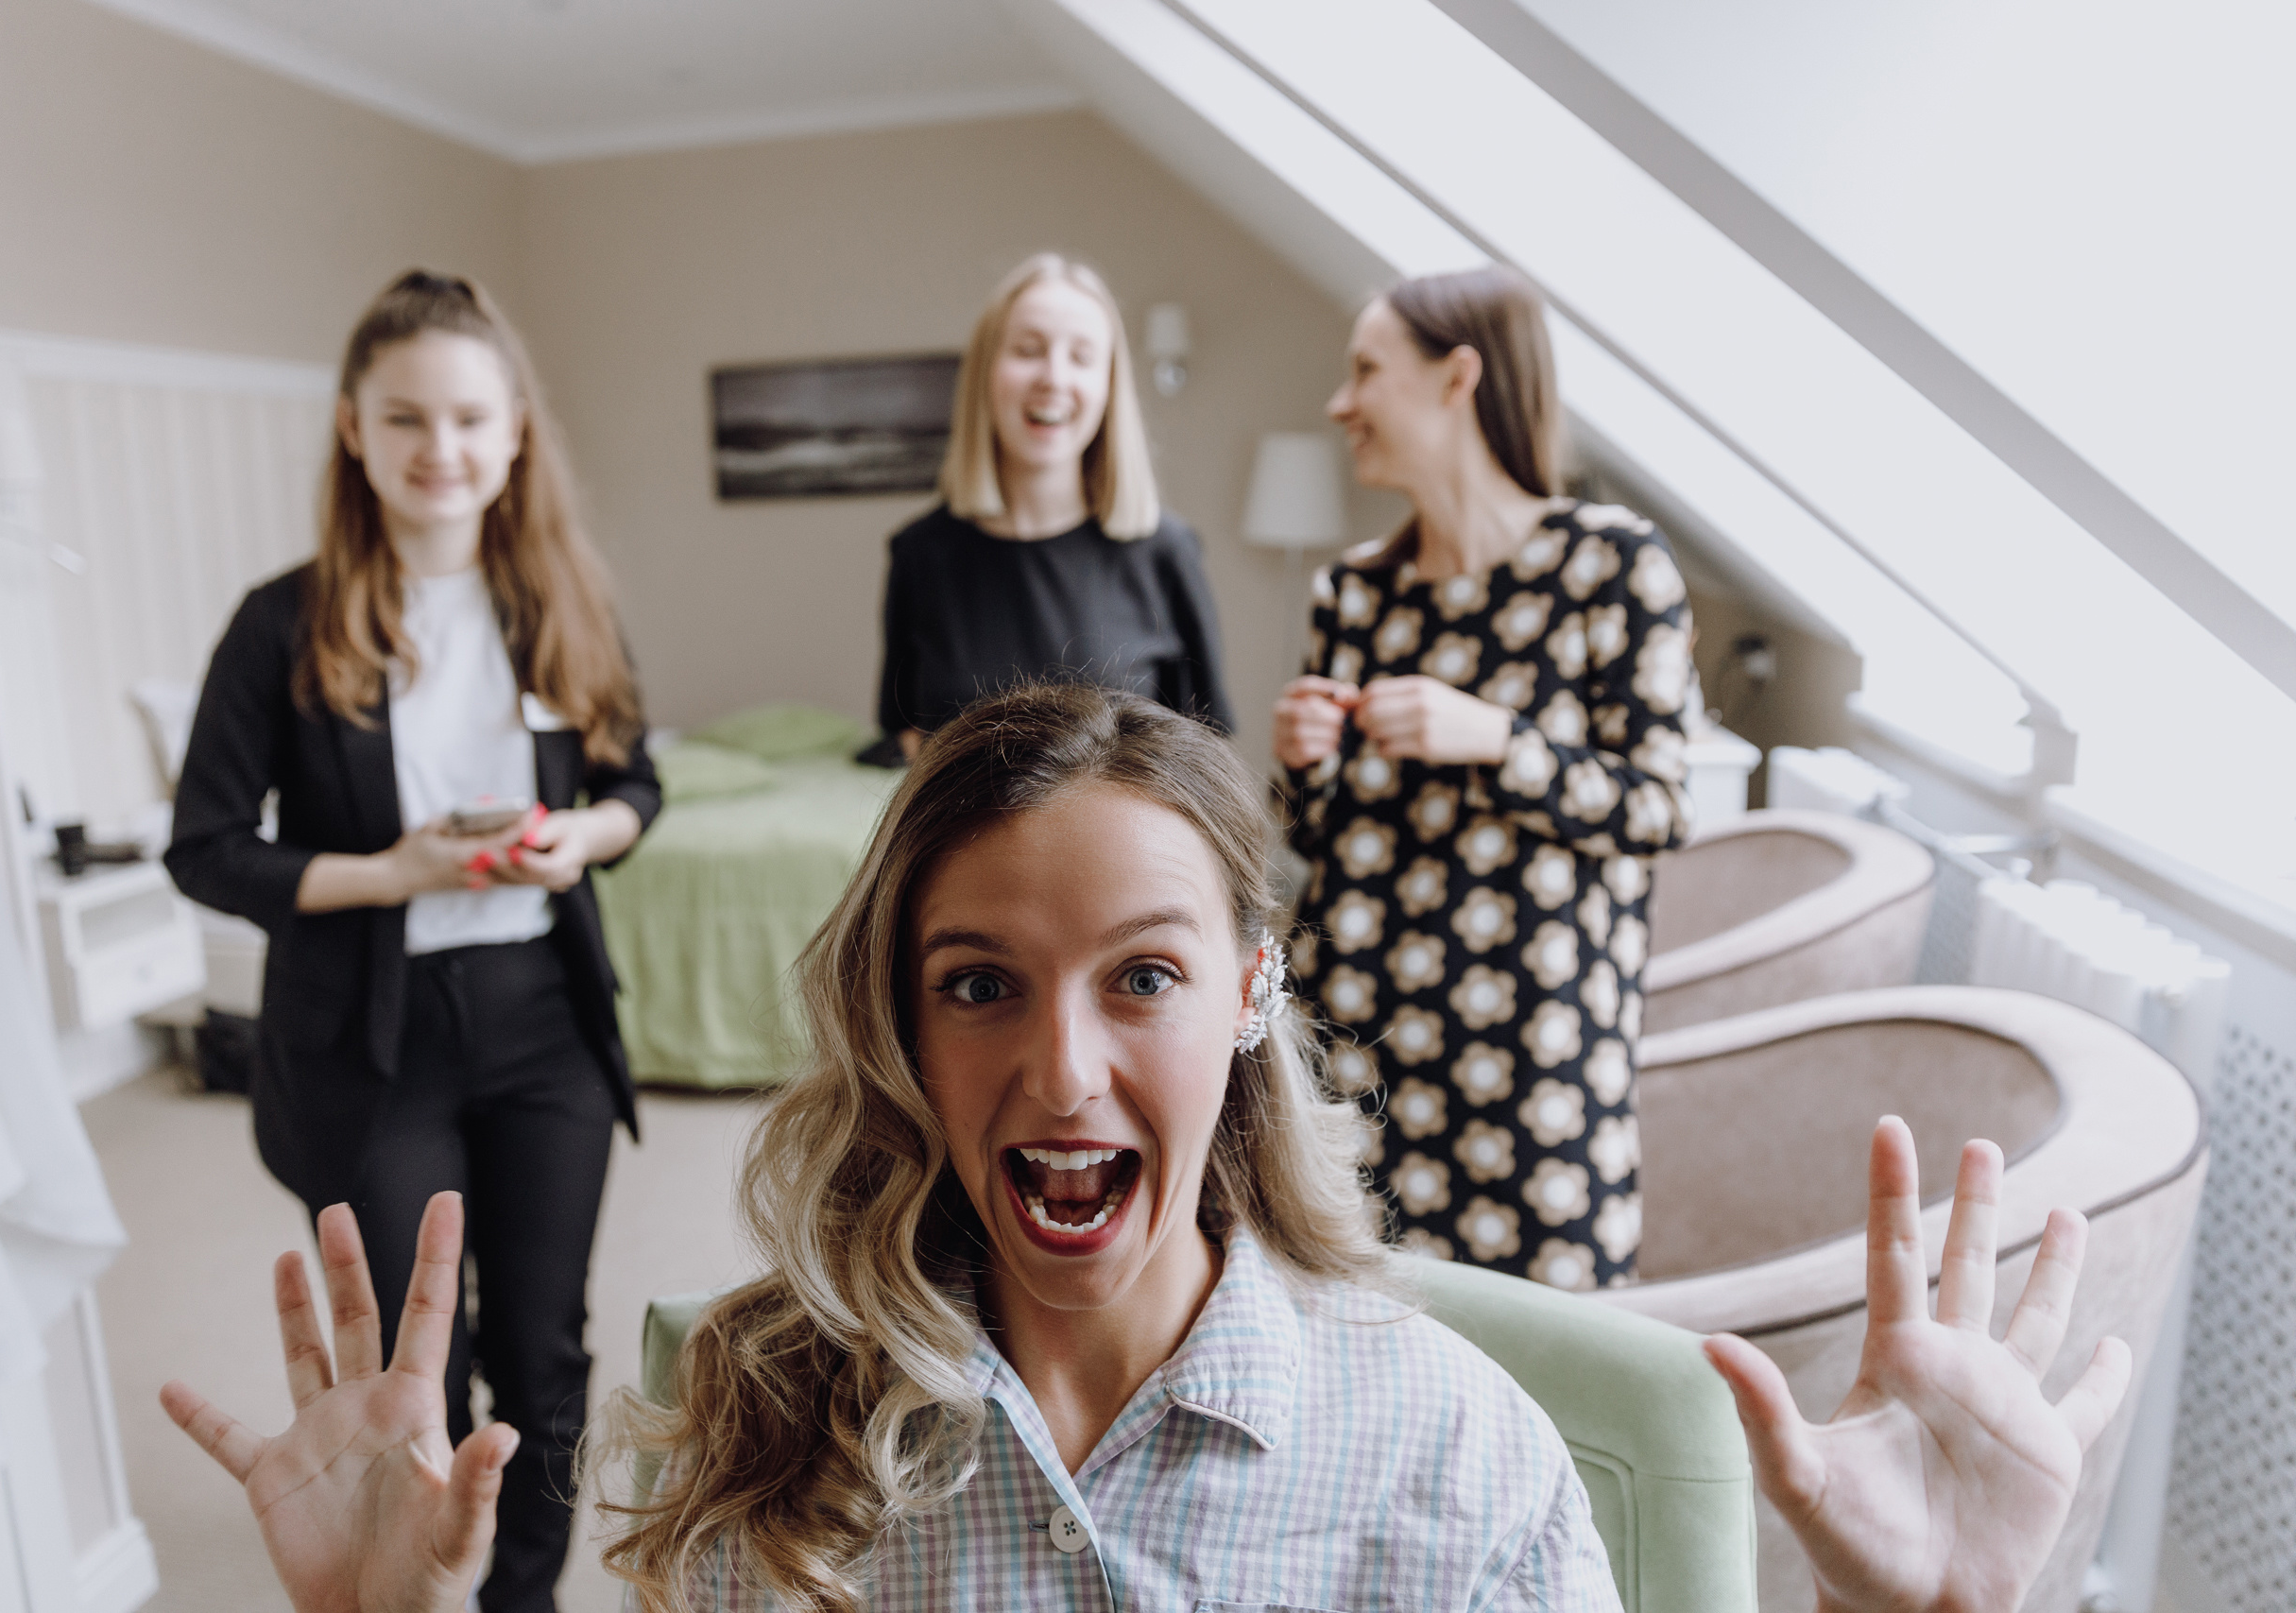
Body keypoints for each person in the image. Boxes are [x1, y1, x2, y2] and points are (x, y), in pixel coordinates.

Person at [162, 686, 2133, 1613]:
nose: (1065, 1068)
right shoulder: (764, 1420)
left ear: (1252, 997)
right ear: (899, 1022)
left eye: (1143, 978)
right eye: (978, 984)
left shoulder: (1454, 1457)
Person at [163, 269, 662, 1613]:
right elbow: (206, 845)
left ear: (514, 437)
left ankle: (527, 1596)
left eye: (468, 419)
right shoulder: (283, 621)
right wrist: (393, 869)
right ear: (353, 431)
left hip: (543, 1016)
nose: (440, 450)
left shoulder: (561, 598)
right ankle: (415, 1588)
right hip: (369, 1039)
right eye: (406, 420)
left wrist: (582, 836)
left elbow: (637, 786)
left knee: (547, 1351)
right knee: (415, 1370)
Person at [1275, 266, 1691, 1287]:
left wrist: (1496, 741)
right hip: (1352, 1058)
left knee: (1549, 1371)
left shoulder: (1610, 568)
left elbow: (1658, 808)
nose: (1341, 404)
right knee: (1351, 1340)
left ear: (1457, 378)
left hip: (1529, 1069)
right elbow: (1319, 843)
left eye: (1365, 370)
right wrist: (1302, 766)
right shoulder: (1355, 594)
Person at [871, 253, 1233, 761]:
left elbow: (1208, 758)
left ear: (1108, 388)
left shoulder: (1165, 552)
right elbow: (905, 741)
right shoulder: (919, 555)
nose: (1054, 377)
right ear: (984, 372)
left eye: (1082, 357)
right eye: (1028, 350)